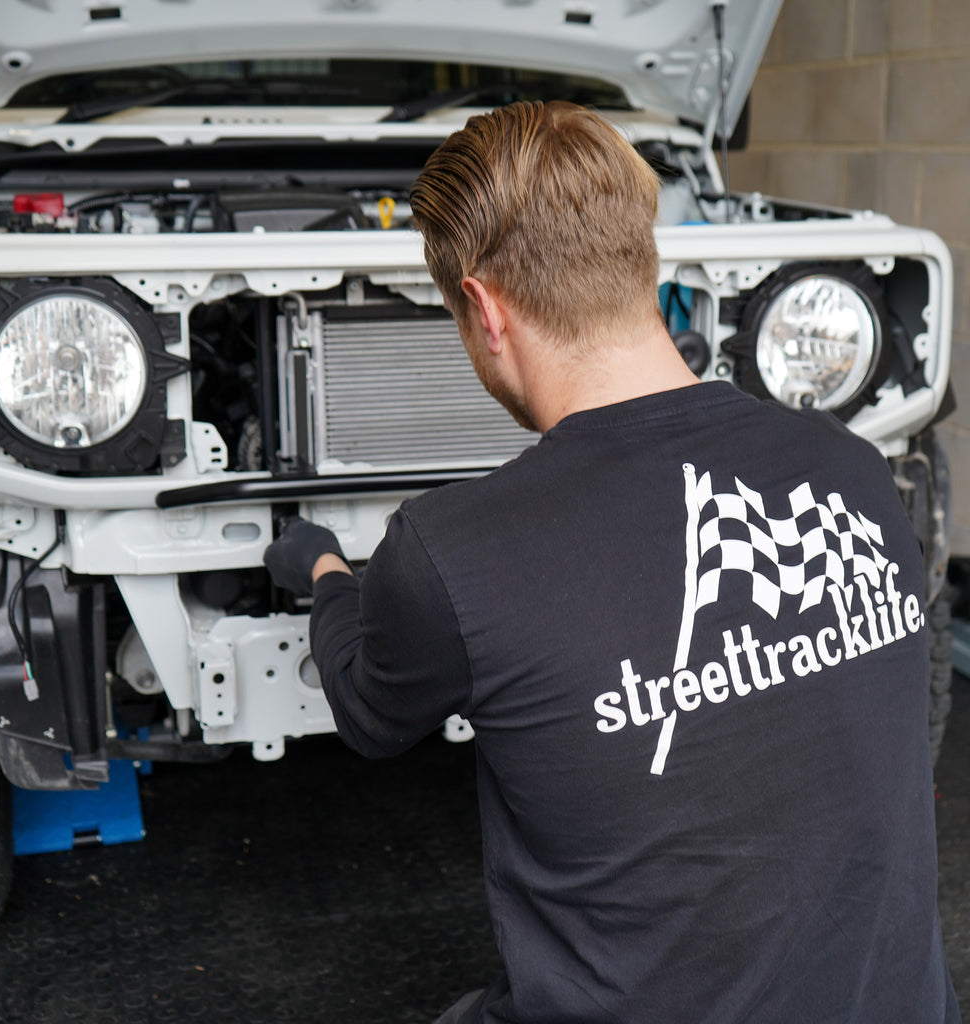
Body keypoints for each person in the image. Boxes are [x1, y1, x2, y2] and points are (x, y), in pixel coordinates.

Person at [264, 101, 960, 1023]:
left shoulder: (450, 548)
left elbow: (368, 711)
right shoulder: (851, 467)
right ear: (644, 258)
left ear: (484, 307)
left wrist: (322, 569)